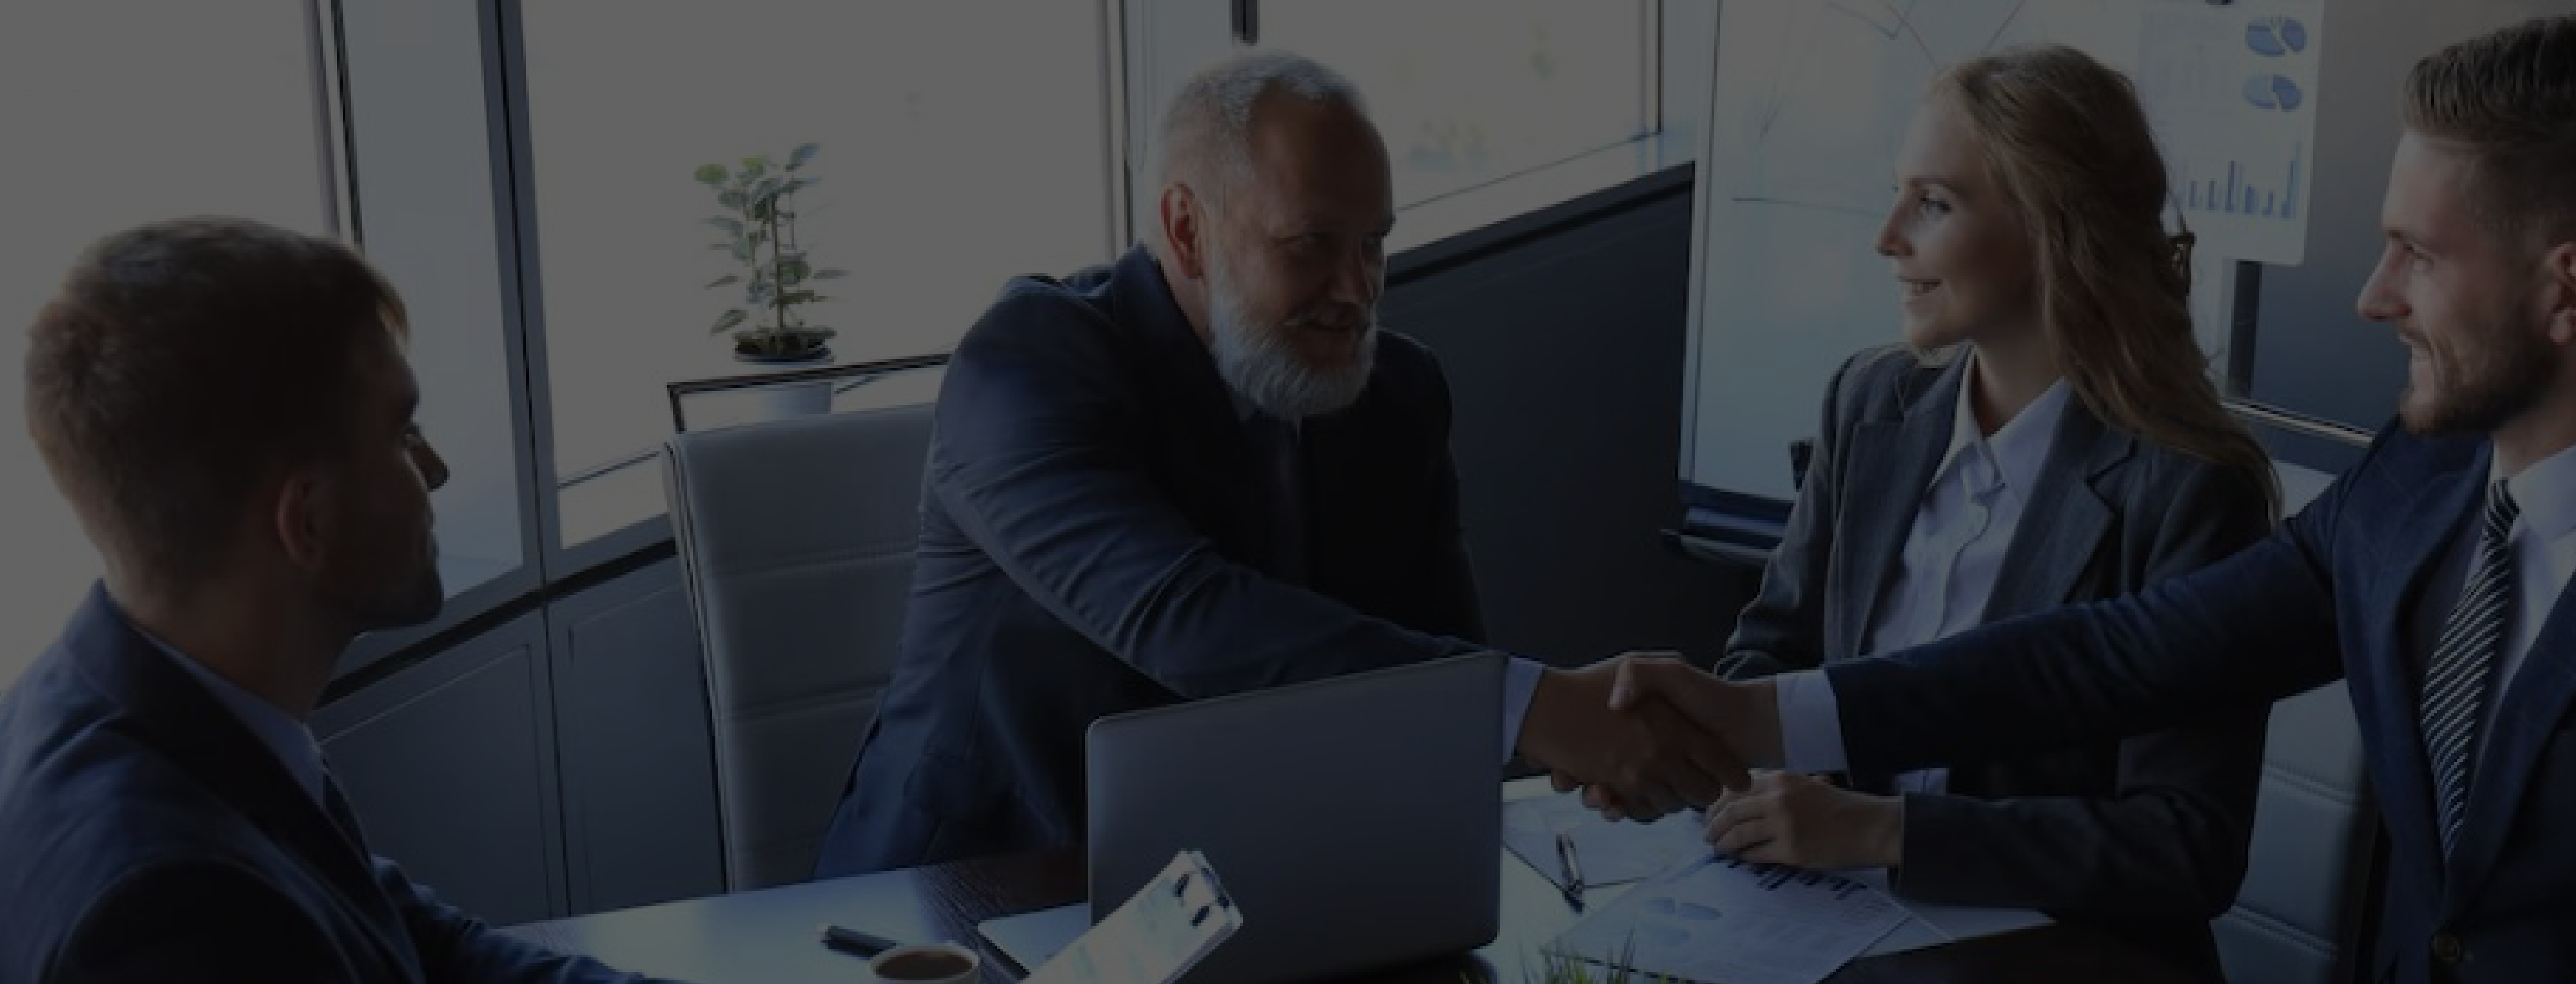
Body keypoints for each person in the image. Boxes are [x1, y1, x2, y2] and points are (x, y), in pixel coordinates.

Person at [1578, 14, 2576, 983]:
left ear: (2564, 291)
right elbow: (2114, 653)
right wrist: (1765, 707)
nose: (2370, 294)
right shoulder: (2416, 487)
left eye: (2413, 253)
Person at [812, 49, 1741, 877]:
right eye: (1312, 245)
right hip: (980, 896)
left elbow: (1435, 664)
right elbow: (1180, 612)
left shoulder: (1398, 394)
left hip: (1268, 887)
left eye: (1374, 242)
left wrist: (1583, 740)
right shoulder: (1024, 363)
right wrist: (1538, 709)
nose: (1358, 289)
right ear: (1185, 229)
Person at [1698, 43, 2281, 977]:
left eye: (1931, 203)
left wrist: (1884, 830)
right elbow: (1769, 653)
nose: (1886, 235)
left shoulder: (2185, 486)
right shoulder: (1869, 405)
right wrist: (1782, 778)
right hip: (1838, 936)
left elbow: (2183, 845)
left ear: (2050, 230)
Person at [0, 216, 674, 983]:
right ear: (307, 519)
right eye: (402, 433)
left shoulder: (144, 698)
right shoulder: (169, 914)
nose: (438, 468)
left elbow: (423, 944)